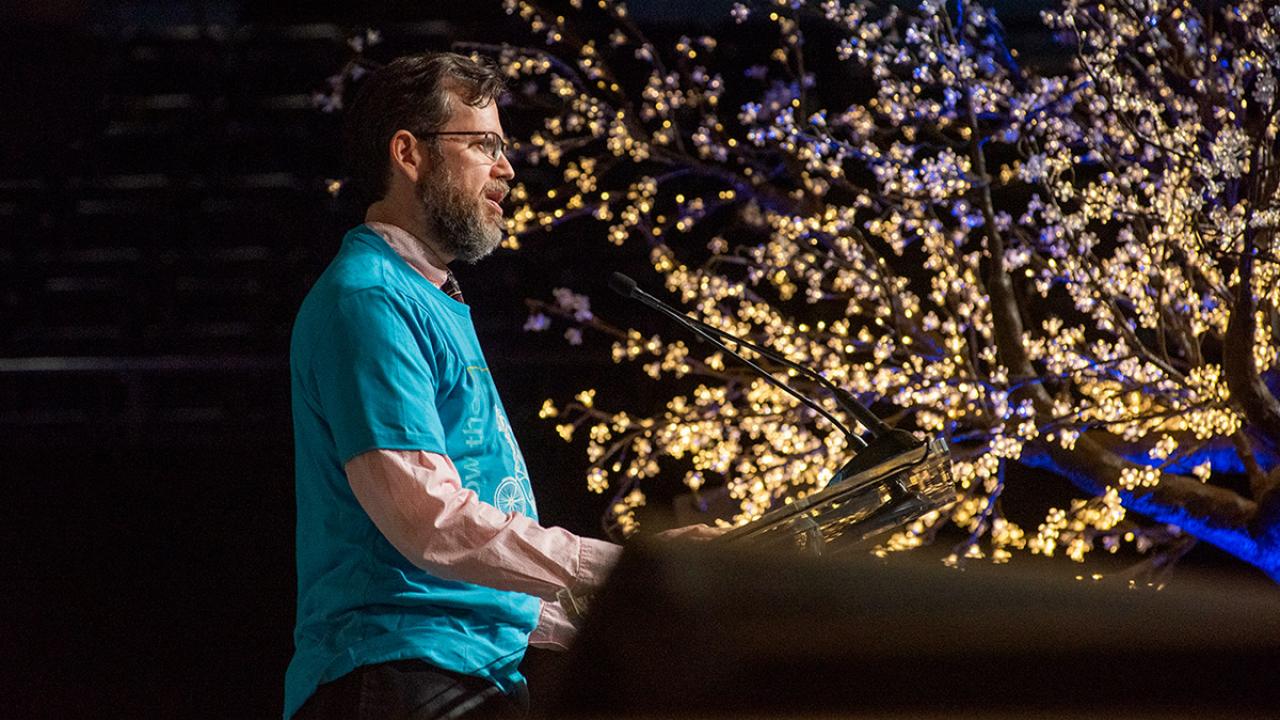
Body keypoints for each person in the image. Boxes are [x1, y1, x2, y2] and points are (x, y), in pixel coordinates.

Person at [284, 52, 717, 720]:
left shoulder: (423, 296)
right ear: (409, 152)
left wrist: (625, 606)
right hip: (400, 676)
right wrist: (621, 572)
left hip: (460, 672)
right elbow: (426, 520)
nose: (507, 169)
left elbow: (468, 567)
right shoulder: (368, 298)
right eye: (484, 144)